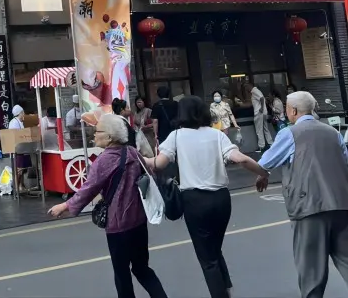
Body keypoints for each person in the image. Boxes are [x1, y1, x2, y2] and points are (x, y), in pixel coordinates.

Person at [145, 95, 268, 298]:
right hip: (221, 200)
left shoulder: (177, 136)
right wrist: (263, 173)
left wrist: (135, 156)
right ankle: (226, 287)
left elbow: (157, 164)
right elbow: (241, 158)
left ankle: (221, 294)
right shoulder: (216, 134)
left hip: (195, 202)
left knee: (207, 258)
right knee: (214, 248)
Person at [48, 114, 168, 298]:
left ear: (110, 137)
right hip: (138, 221)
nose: (93, 135)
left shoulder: (103, 161)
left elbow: (87, 190)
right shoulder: (132, 152)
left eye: (97, 132)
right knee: (142, 268)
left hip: (118, 225)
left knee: (122, 274)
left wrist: (65, 206)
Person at [257, 90, 348, 298]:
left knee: (311, 270)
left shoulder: (289, 133)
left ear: (293, 111)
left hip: (309, 206)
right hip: (342, 203)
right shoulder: (332, 132)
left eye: (288, 108)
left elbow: (265, 163)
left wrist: (261, 174)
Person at [250, 79, 273, 152]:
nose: (245, 88)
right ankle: (271, 144)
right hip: (263, 113)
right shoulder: (256, 91)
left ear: (250, 85)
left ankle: (261, 146)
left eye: (246, 86)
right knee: (266, 129)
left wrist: (261, 108)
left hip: (259, 113)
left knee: (259, 130)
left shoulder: (254, 91)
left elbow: (262, 99)